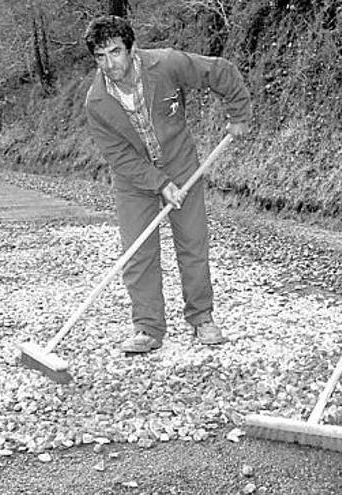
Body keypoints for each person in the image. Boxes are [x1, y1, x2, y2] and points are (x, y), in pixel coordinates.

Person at [83, 15, 251, 354]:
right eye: (100, 57)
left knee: (192, 244)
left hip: (182, 164)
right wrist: (159, 184)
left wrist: (239, 114)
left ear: (131, 49)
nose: (110, 64)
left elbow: (219, 70)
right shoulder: (96, 103)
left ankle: (201, 317)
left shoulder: (167, 64)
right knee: (138, 251)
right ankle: (147, 328)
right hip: (134, 180)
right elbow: (119, 157)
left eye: (115, 52)